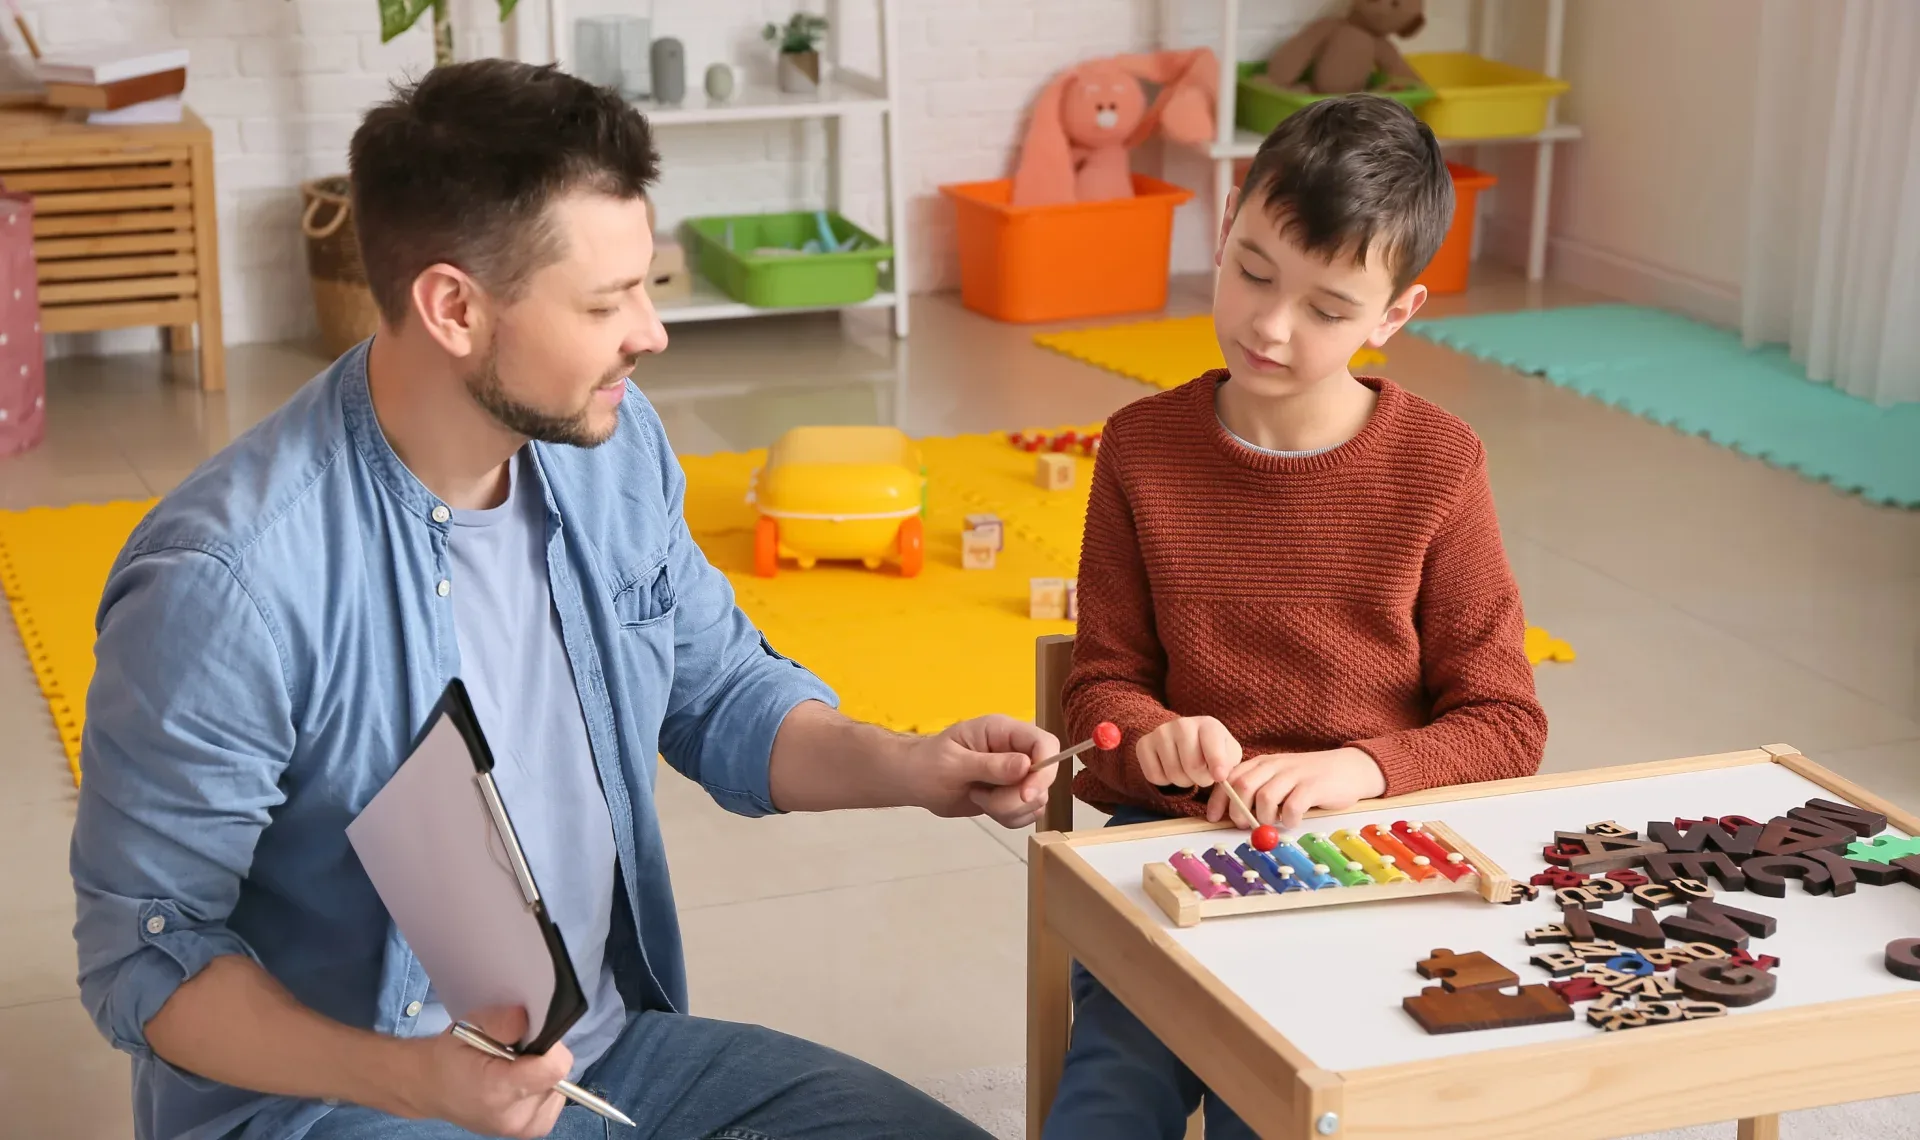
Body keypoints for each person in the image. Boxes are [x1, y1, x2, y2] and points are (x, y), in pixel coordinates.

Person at [69, 60, 1058, 1140]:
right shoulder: (226, 584)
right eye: (604, 302)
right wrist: (420, 1082)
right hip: (345, 1109)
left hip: (601, 1062)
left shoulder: (607, 440)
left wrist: (911, 765)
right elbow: (148, 963)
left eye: (646, 285)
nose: (651, 332)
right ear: (453, 307)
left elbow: (720, 693)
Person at [1043, 95, 1549, 1139]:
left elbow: (1506, 721)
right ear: (1226, 227)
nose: (1270, 326)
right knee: (1110, 1095)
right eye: (1255, 271)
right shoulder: (1142, 446)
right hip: (1173, 844)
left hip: (1368, 858)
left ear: (1393, 316)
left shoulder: (1440, 466)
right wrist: (1154, 736)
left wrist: (1354, 769)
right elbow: (1098, 684)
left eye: (1326, 308)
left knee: (1272, 1102)